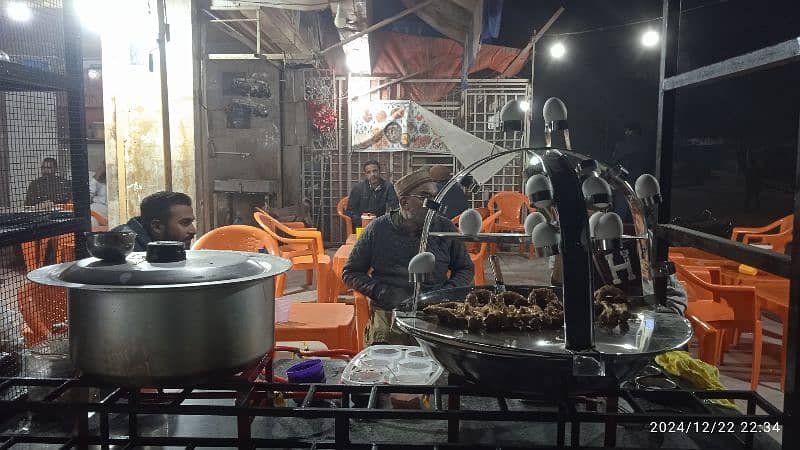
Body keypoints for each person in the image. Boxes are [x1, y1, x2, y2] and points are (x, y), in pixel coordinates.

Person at [342, 169, 474, 346]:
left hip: (435, 312)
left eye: (436, 196)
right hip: (390, 313)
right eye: (425, 197)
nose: (434, 203)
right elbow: (350, 273)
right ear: (404, 202)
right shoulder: (378, 229)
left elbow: (465, 268)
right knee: (387, 360)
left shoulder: (445, 228)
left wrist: (444, 294)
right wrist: (384, 292)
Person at [111, 191, 196, 251]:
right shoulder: (124, 251)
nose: (193, 230)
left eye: (191, 222)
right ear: (157, 227)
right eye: (185, 223)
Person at [345, 160, 399, 229]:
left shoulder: (388, 186)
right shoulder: (358, 188)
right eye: (369, 172)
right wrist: (362, 221)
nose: (372, 174)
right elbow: (350, 211)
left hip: (379, 224)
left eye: (375, 171)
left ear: (380, 171)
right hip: (361, 225)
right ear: (365, 174)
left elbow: (395, 206)